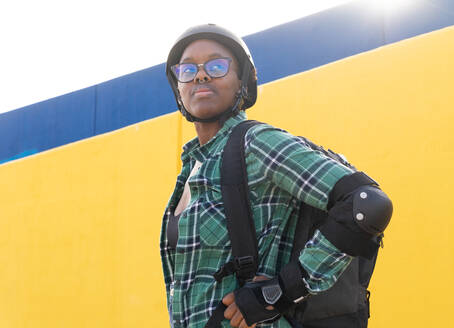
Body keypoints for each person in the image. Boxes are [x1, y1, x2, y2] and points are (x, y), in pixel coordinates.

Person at [160, 24, 391, 328]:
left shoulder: (256, 143)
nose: (201, 75)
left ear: (243, 79)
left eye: (217, 65)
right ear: (178, 86)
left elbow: (366, 204)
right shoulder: (191, 171)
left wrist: (280, 291)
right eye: (188, 69)